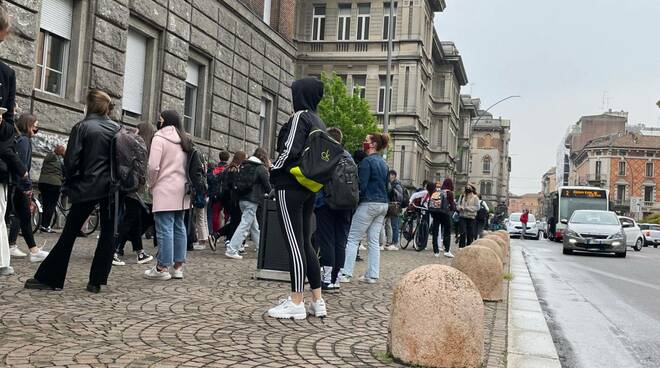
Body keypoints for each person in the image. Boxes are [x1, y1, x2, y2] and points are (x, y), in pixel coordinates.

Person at [24, 90, 120, 293]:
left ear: (90, 105)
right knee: (108, 234)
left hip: (88, 186)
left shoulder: (83, 127)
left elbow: (71, 161)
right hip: (112, 188)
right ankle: (96, 281)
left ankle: (50, 278)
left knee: (69, 234)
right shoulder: (116, 128)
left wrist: (72, 179)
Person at [267, 77, 327, 319]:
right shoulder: (318, 120)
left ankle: (296, 301)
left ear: (299, 94)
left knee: (293, 243)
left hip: (289, 185)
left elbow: (289, 149)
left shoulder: (300, 117)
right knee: (305, 244)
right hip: (308, 186)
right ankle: (318, 300)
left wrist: (273, 170)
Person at [143, 110, 192, 281]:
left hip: (164, 187)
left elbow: (153, 166)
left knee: (164, 228)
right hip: (182, 189)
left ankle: (162, 267)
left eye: (160, 119)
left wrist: (151, 183)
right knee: (179, 227)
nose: (158, 121)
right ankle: (178, 267)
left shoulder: (159, 138)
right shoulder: (185, 139)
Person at [341, 132, 390, 284]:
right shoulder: (384, 163)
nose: (364, 142)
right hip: (383, 204)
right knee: (374, 241)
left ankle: (345, 273)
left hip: (369, 203)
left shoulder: (367, 162)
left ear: (373, 144)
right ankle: (372, 275)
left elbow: (360, 186)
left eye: (366, 140)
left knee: (353, 238)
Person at [6, 113, 49, 262]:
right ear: (28, 126)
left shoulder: (19, 139)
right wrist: (27, 187)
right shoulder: (24, 141)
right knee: (23, 217)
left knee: (21, 217)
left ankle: (29, 249)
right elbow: (22, 167)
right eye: (35, 128)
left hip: (16, 185)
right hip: (20, 186)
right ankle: (32, 250)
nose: (36, 132)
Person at [314, 128, 353, 291]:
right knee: (340, 242)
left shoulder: (326, 154)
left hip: (326, 203)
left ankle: (328, 277)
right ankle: (336, 278)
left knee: (327, 240)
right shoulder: (348, 156)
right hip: (347, 204)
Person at [113, 122, 155, 266]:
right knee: (131, 219)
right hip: (137, 189)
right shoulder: (146, 147)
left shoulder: (138, 145)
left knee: (133, 220)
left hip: (133, 188)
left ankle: (138, 252)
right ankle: (116, 249)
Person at [225, 148, 271, 259]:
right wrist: (272, 195)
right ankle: (232, 249)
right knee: (245, 225)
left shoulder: (244, 165)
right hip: (253, 200)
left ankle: (261, 250)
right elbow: (267, 185)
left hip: (242, 199)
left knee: (253, 226)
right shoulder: (261, 168)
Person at [212, 151, 246, 249]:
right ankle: (226, 239)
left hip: (227, 199)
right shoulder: (234, 169)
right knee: (237, 221)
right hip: (232, 199)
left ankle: (219, 236)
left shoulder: (228, 168)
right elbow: (233, 185)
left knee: (235, 221)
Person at [38, 145, 65, 233]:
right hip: (54, 184)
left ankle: (42, 225)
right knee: (51, 205)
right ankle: (46, 226)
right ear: (61, 152)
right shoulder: (59, 160)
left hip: (43, 183)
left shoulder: (48, 157)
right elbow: (66, 170)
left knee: (45, 204)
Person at [428, 179, 457, 258]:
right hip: (445, 214)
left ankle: (436, 251)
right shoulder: (449, 193)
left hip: (436, 213)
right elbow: (452, 206)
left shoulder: (437, 191)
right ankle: (447, 250)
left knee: (435, 230)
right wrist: (453, 208)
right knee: (447, 230)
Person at [209, 151, 230, 236]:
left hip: (216, 194)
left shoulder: (215, 169)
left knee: (215, 214)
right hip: (227, 194)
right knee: (227, 215)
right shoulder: (229, 169)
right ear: (228, 158)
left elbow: (210, 180)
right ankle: (226, 234)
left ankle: (215, 233)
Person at [382, 170, 403, 251]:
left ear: (394, 176)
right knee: (390, 224)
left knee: (394, 225)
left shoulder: (397, 185)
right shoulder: (392, 184)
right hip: (391, 206)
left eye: (391, 176)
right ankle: (391, 242)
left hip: (395, 206)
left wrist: (393, 193)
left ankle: (395, 243)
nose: (389, 178)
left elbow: (399, 197)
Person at [457, 183, 479, 248]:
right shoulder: (462, 196)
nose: (467, 188)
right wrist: (460, 207)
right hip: (462, 216)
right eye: (467, 187)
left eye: (469, 187)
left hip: (471, 217)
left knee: (470, 234)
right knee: (462, 232)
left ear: (472, 188)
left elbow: (477, 207)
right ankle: (461, 247)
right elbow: (458, 205)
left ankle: (469, 247)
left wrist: (467, 208)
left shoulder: (475, 197)